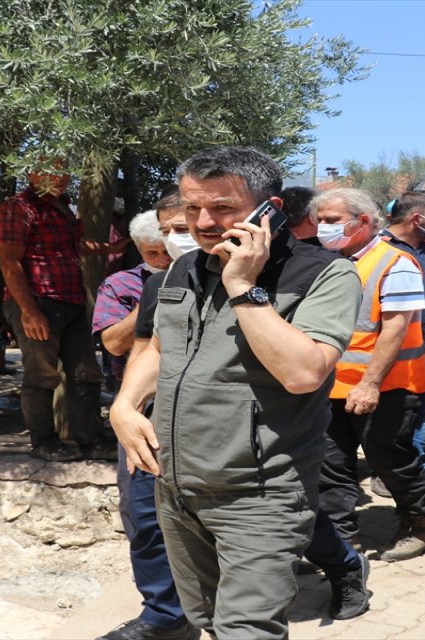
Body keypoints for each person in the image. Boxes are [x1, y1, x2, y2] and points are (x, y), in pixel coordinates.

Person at [110, 146, 364, 638]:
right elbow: (159, 347)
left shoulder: (325, 273)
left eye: (222, 208)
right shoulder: (183, 269)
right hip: (177, 487)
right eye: (192, 207)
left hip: (261, 495)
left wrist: (244, 286)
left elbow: (304, 373)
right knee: (207, 618)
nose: (203, 222)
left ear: (271, 208)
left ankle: (347, 567)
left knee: (246, 629)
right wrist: (124, 404)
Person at [312, 187, 425, 563]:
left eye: (332, 220)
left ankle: (420, 526)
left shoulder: (395, 263)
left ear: (364, 221)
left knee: (391, 460)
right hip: (330, 385)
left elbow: (395, 330)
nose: (323, 227)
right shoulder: (329, 262)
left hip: (388, 386)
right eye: (320, 220)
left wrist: (369, 384)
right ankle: (341, 541)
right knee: (331, 464)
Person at [92, 209, 197, 640]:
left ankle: (339, 563)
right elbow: (115, 343)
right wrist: (156, 297)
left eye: (175, 238)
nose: (165, 253)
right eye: (155, 249)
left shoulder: (225, 277)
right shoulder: (126, 285)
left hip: (203, 411)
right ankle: (165, 614)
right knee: (143, 513)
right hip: (142, 409)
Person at [0, 163, 124, 461]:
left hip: (71, 299)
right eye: (51, 171)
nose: (61, 178)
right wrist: (29, 311)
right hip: (37, 301)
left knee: (85, 371)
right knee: (41, 374)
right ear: (31, 174)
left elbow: (70, 246)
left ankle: (91, 439)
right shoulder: (19, 207)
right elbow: (8, 261)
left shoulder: (62, 205)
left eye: (64, 172)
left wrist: (108, 248)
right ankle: (43, 442)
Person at [375, 191, 425, 498]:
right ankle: (388, 475)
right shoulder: (380, 249)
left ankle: (415, 472)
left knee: (424, 412)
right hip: (396, 351)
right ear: (416, 219)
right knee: (396, 414)